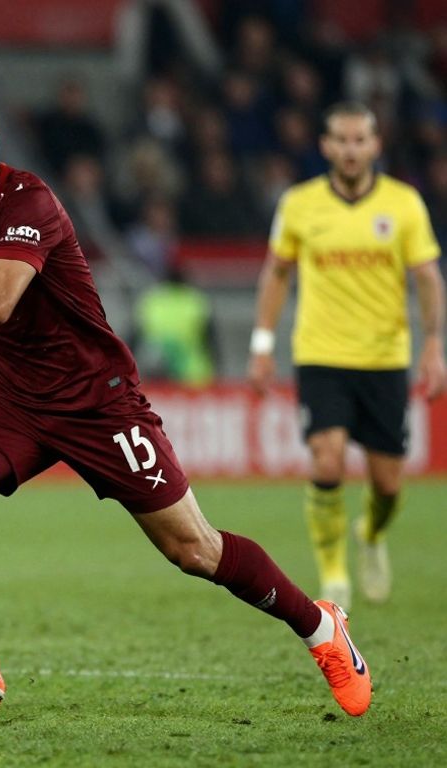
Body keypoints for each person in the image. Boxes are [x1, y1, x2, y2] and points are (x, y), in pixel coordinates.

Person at [0, 86, 371, 717]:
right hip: (17, 404)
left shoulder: (29, 201)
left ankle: (321, 627)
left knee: (195, 550)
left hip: (98, 404)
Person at [249, 101, 444, 608]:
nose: (351, 149)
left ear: (376, 145)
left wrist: (433, 345)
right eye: (341, 140)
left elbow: (427, 277)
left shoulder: (403, 204)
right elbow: (277, 273)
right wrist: (262, 345)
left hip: (384, 358)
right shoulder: (299, 204)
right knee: (327, 459)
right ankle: (333, 574)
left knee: (388, 484)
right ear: (326, 146)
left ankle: (371, 535)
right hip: (321, 354)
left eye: (360, 140)